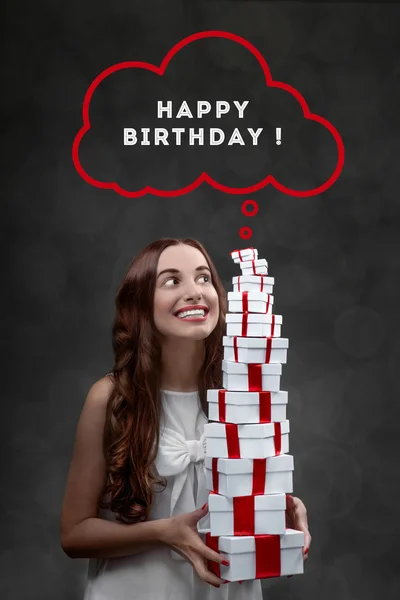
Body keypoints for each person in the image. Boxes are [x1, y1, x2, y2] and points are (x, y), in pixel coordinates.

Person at [60, 238, 311, 600]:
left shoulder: (243, 391)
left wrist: (277, 509)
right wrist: (163, 532)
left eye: (204, 278)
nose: (194, 292)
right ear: (142, 303)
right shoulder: (111, 397)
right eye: (172, 281)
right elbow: (74, 534)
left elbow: (247, 492)